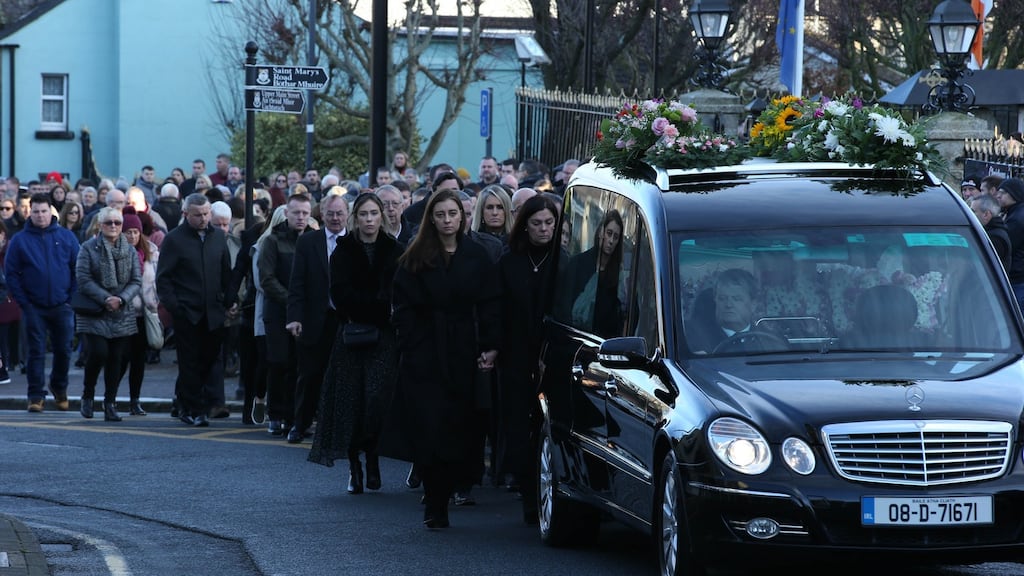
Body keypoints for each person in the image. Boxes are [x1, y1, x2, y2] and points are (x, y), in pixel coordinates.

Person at [382, 188, 501, 529]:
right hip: (425, 355)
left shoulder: (476, 257)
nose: (448, 220)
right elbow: (401, 308)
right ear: (431, 219)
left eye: (453, 214)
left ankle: (453, 487)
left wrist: (490, 345)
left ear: (462, 217)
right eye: (441, 214)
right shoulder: (414, 258)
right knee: (428, 427)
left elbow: (491, 303)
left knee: (458, 428)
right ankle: (435, 501)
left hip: (465, 353)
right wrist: (413, 344)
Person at [308, 194, 402, 494]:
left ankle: (373, 460)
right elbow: (341, 295)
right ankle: (355, 467)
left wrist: (381, 309)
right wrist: (376, 307)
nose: (370, 219)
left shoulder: (394, 250)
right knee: (350, 405)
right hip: (351, 336)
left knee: (377, 403)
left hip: (384, 339)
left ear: (382, 217)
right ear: (355, 218)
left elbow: (396, 293)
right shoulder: (343, 251)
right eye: (364, 214)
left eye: (375, 213)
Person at [496, 194, 560, 523]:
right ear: (525, 225)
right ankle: (528, 496)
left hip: (554, 354)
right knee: (520, 427)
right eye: (536, 223)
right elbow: (498, 309)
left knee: (550, 426)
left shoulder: (563, 260)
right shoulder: (510, 261)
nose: (544, 229)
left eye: (549, 223)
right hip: (516, 354)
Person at [156, 193, 236, 427]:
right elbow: (164, 280)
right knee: (189, 363)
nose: (203, 219)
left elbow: (225, 273)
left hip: (213, 314)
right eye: (197, 215)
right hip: (186, 313)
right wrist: (176, 308)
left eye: (206, 214)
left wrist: (227, 302)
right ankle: (194, 408)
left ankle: (183, 401)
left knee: (208, 361)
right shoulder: (174, 240)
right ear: (186, 215)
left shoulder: (218, 238)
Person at [4, 193, 80, 412]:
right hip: (33, 306)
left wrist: (70, 299)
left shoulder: (66, 237)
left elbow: (78, 269)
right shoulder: (20, 240)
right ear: (31, 213)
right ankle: (35, 396)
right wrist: (24, 303)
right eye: (35, 211)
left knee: (64, 350)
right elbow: (12, 274)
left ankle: (59, 388)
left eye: (43, 211)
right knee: (35, 352)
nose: (40, 215)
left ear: (51, 211)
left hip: (62, 305)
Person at [285, 193, 348, 443]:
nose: (335, 218)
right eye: (330, 213)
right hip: (313, 320)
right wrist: (294, 317)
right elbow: (297, 283)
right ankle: (299, 425)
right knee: (309, 376)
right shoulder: (308, 242)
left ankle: (336, 429)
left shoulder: (355, 242)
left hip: (345, 320)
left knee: (343, 377)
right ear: (321, 214)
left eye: (340, 213)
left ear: (347, 215)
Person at [74, 207, 142, 421]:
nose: (113, 226)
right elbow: (83, 279)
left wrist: (120, 299)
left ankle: (110, 403)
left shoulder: (129, 250)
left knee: (116, 358)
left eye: (117, 223)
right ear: (99, 225)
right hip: (95, 310)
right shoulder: (88, 248)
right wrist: (106, 298)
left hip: (122, 311)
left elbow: (136, 280)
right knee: (99, 353)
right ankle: (88, 395)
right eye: (109, 223)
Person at [258, 194, 313, 436]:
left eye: (305, 212)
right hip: (278, 311)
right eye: (296, 213)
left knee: (300, 366)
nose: (301, 217)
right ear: (286, 214)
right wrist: (293, 301)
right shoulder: (272, 241)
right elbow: (267, 279)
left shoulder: (313, 239)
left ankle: (295, 417)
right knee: (279, 362)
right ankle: (275, 414)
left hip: (304, 313)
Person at [119, 210, 159, 415]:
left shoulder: (151, 251)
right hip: (123, 314)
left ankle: (135, 400)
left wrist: (155, 302)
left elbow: (157, 280)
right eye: (128, 232)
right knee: (120, 359)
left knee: (138, 360)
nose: (132, 236)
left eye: (135, 232)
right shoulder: (117, 252)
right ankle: (111, 398)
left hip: (144, 314)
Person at [568, 209, 625, 338]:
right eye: (609, 233)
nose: (610, 240)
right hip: (575, 336)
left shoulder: (618, 276)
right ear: (601, 232)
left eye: (615, 237)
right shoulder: (578, 263)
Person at [686, 268, 759, 353]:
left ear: (753, 305)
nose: (728, 305)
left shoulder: (768, 339)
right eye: (722, 298)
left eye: (737, 299)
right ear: (715, 300)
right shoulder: (694, 339)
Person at [970, 194, 1012, 272]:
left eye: (973, 211)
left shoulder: (995, 238)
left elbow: (978, 265)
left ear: (986, 214)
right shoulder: (991, 232)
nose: (969, 215)